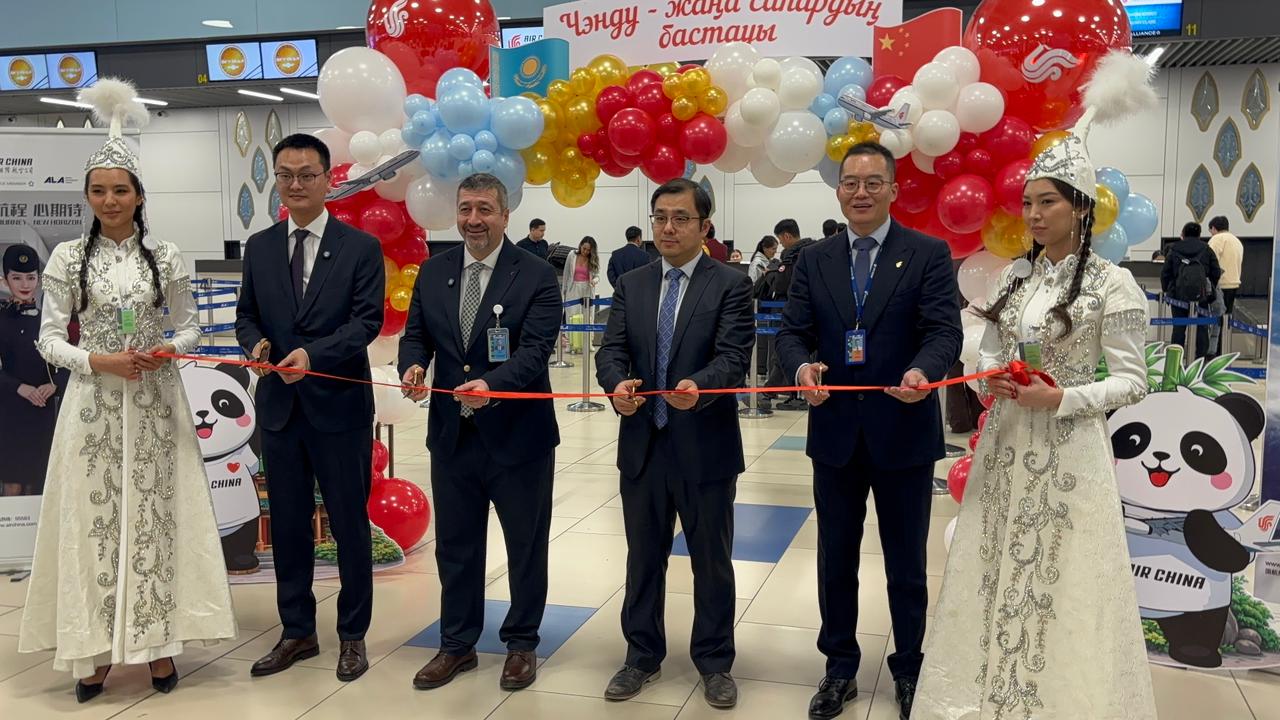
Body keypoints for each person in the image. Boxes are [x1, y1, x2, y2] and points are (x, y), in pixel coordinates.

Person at [913, 106, 1158, 720]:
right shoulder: (1015, 278)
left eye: (1047, 202)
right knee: (994, 562)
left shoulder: (1113, 283)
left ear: (1080, 208)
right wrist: (992, 378)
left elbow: (1133, 382)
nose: (1032, 215)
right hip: (1007, 441)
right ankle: (989, 692)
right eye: (1027, 203)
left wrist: (1064, 398)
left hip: (1071, 449)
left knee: (1062, 575)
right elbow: (991, 350)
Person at [19, 79, 236, 701]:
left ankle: (157, 645)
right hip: (92, 406)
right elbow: (49, 339)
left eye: (120, 190)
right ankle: (91, 652)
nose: (109, 200)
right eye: (99, 191)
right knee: (94, 522)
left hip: (155, 402)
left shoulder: (164, 255)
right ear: (87, 196)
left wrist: (167, 348)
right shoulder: (67, 257)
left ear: (139, 195)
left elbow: (190, 326)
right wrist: (98, 361)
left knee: (156, 520)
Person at [774, 142, 962, 720]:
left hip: (904, 428)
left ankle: (909, 667)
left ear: (893, 189)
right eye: (851, 182)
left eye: (873, 182)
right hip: (835, 432)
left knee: (906, 562)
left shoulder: (927, 253)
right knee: (836, 559)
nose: (861, 192)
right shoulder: (815, 259)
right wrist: (801, 369)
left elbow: (944, 332)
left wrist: (924, 371)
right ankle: (839, 668)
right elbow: (792, 332)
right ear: (838, 191)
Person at [399, 173, 562, 691]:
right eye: (466, 208)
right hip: (453, 437)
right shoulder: (434, 271)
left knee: (525, 546)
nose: (474, 219)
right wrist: (412, 366)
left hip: (519, 438)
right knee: (456, 547)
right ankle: (457, 644)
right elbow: (416, 334)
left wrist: (491, 384)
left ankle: (521, 643)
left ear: (506, 215)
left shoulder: (536, 274)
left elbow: (536, 351)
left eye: (485, 209)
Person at [596, 178, 754, 709]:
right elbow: (611, 350)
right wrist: (616, 385)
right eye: (660, 217)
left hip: (705, 444)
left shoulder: (730, 284)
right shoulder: (633, 283)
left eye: (681, 218)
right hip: (643, 443)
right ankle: (641, 656)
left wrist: (700, 387)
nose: (668, 227)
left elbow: (734, 357)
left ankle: (715, 661)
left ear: (705, 227)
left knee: (711, 559)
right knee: (643, 558)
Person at [235, 133, 384, 682]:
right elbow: (246, 314)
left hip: (338, 408)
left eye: (306, 174)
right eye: (285, 175)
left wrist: (312, 355)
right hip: (280, 409)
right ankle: (297, 630)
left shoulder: (359, 248)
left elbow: (366, 322)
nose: (295, 184)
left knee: (348, 524)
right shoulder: (260, 246)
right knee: (289, 526)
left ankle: (353, 634)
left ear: (327, 180)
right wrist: (255, 345)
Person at [0, 244, 68, 497]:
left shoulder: (49, 321)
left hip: (42, 410)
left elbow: (67, 363)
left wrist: (54, 385)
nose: (25, 284)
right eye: (17, 277)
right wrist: (20, 388)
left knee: (39, 483)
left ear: (39, 280)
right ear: (5, 280)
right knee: (12, 482)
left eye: (30, 277)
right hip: (10, 411)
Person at [762, 220, 816, 411]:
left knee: (785, 349)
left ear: (786, 235)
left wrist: (771, 274)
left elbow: (781, 285)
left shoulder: (791, 255)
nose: (781, 244)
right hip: (811, 311)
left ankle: (779, 392)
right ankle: (782, 391)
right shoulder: (815, 251)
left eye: (780, 240)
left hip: (789, 309)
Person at [1161, 221, 1221, 359]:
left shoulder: (1174, 249)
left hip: (1178, 295)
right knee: (1202, 329)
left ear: (1183, 234)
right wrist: (1209, 288)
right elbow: (1216, 271)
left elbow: (1165, 273)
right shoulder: (1206, 249)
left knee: (1179, 328)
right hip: (1201, 296)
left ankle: (1175, 361)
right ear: (1199, 235)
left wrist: (1167, 290)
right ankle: (1200, 361)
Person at [1207, 215, 1243, 355]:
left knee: (1216, 321)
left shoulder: (1217, 239)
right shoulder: (1237, 241)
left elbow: (1209, 261)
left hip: (1219, 285)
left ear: (1214, 228)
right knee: (1226, 320)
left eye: (1210, 230)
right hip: (1234, 284)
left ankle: (1213, 352)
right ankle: (1223, 351)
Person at [561, 235, 600, 301]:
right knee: (572, 307)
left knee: (586, 307)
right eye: (584, 248)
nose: (585, 252)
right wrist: (563, 292)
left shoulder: (593, 259)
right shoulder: (572, 255)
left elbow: (597, 277)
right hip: (573, 289)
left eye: (588, 250)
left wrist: (594, 281)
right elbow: (566, 274)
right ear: (580, 245)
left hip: (587, 290)